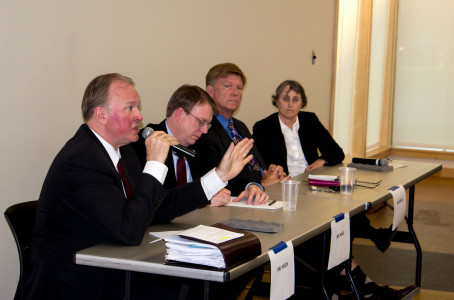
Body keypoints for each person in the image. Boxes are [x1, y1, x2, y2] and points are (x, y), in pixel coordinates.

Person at [23, 73, 255, 300]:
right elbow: (130, 231)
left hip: (117, 265)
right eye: (130, 108)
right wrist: (154, 164)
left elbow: (159, 205)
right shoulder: (82, 160)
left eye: (138, 108)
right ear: (101, 114)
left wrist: (218, 176)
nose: (139, 116)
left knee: (214, 278)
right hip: (80, 282)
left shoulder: (123, 149)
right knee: (190, 288)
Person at [252, 79, 417, 299]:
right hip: (287, 189)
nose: (290, 104)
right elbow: (265, 166)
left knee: (344, 212)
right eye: (285, 99)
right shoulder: (263, 127)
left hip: (312, 184)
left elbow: (336, 151)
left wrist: (321, 160)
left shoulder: (309, 120)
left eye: (295, 99)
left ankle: (357, 287)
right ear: (276, 101)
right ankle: (367, 284)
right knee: (334, 234)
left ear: (302, 103)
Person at [131, 84, 267, 206]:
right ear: (179, 114)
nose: (205, 130)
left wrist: (251, 186)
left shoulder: (202, 143)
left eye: (208, 124)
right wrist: (202, 199)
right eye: (201, 122)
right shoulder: (145, 144)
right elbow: (159, 201)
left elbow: (223, 178)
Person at [200, 62, 289, 204]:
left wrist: (271, 172)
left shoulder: (240, 126)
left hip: (264, 196)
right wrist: (260, 183)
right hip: (237, 202)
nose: (235, 92)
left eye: (239, 88)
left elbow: (256, 164)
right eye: (228, 86)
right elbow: (218, 180)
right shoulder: (204, 130)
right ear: (210, 91)